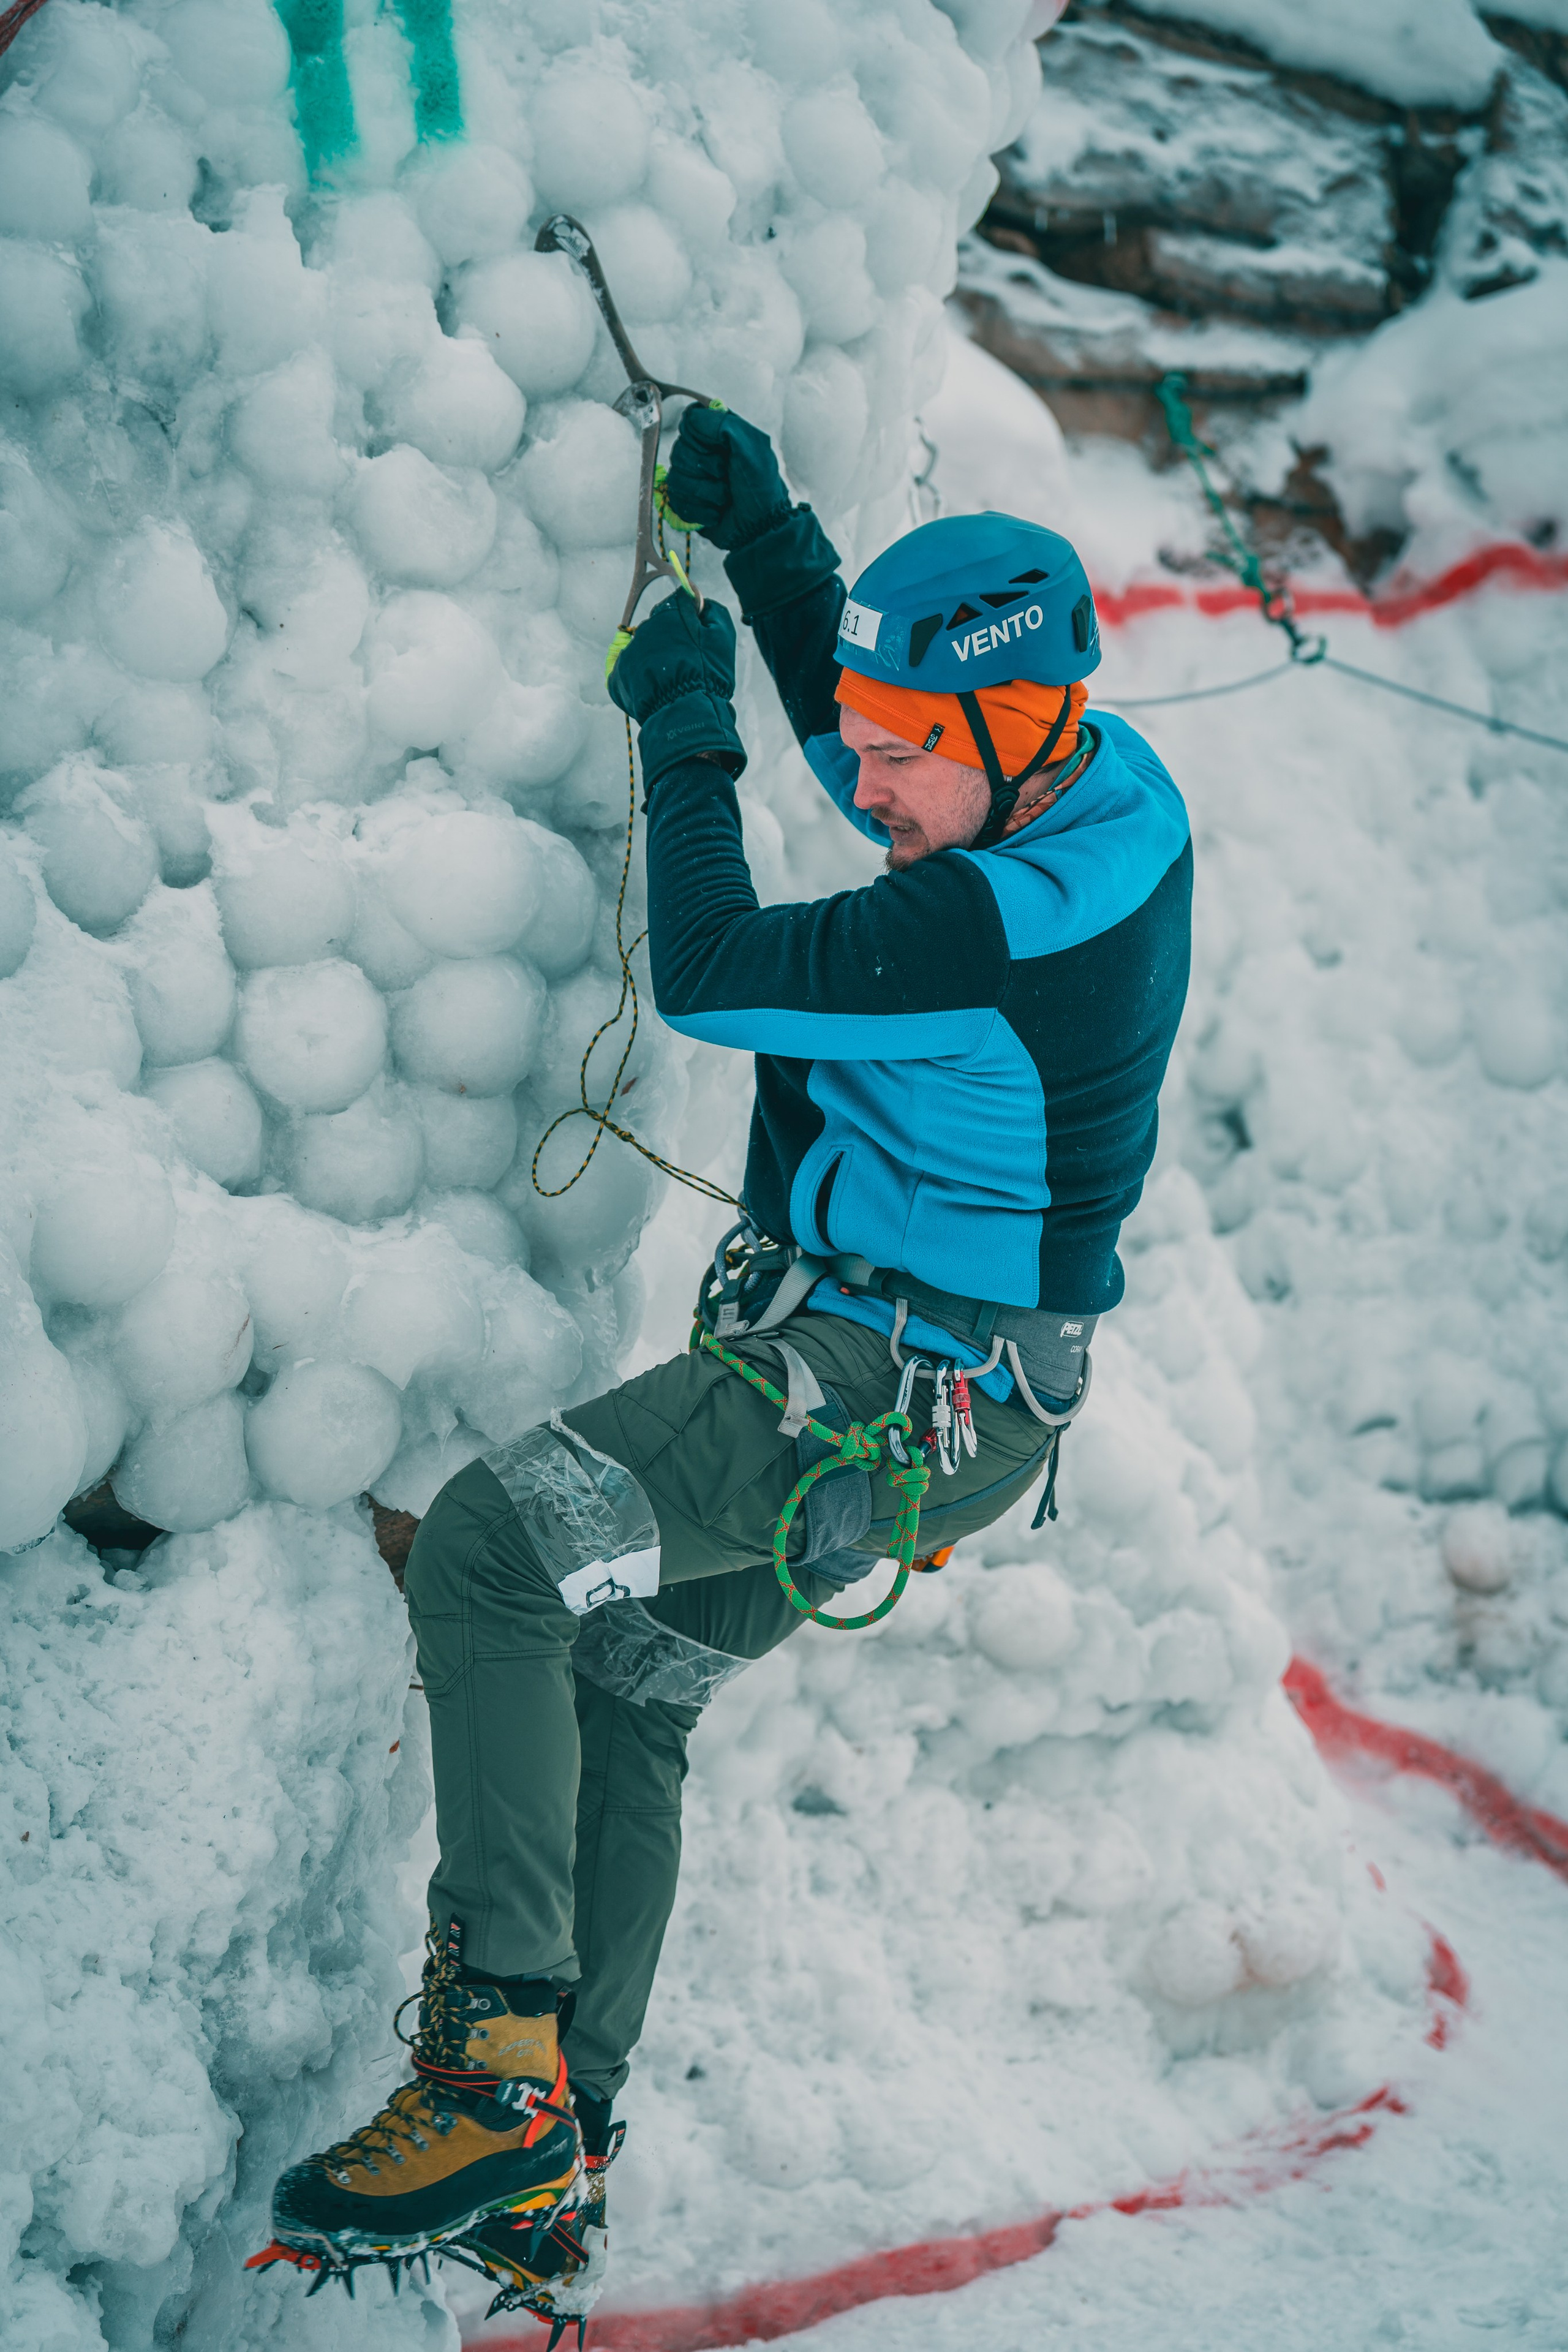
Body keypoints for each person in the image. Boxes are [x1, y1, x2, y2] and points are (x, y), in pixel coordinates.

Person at [251, 409, 1192, 2329]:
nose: (864, 773)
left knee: (500, 1556)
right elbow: (896, 736)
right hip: (966, 1393)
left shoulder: (1003, 917)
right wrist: (772, 549)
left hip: (885, 1379)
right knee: (628, 1686)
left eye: (901, 750)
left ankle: (496, 2074)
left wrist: (685, 728)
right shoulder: (1084, 785)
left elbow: (710, 966)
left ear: (1016, 734)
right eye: (855, 730)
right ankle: (563, 2160)